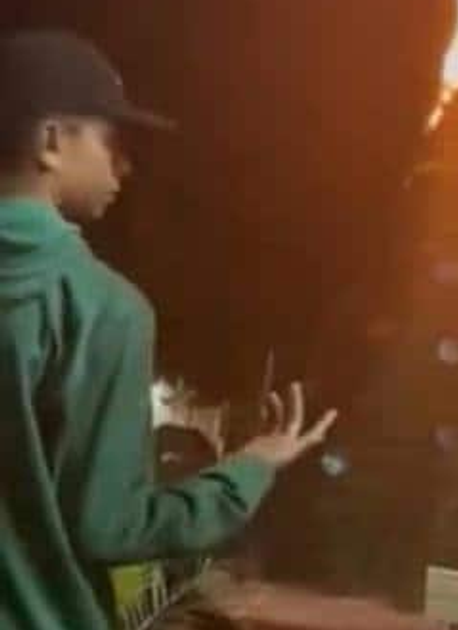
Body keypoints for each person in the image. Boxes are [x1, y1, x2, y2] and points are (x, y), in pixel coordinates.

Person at [0, 30, 338, 630]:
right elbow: (111, 527)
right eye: (112, 142)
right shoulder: (102, 310)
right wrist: (251, 467)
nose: (125, 166)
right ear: (51, 141)